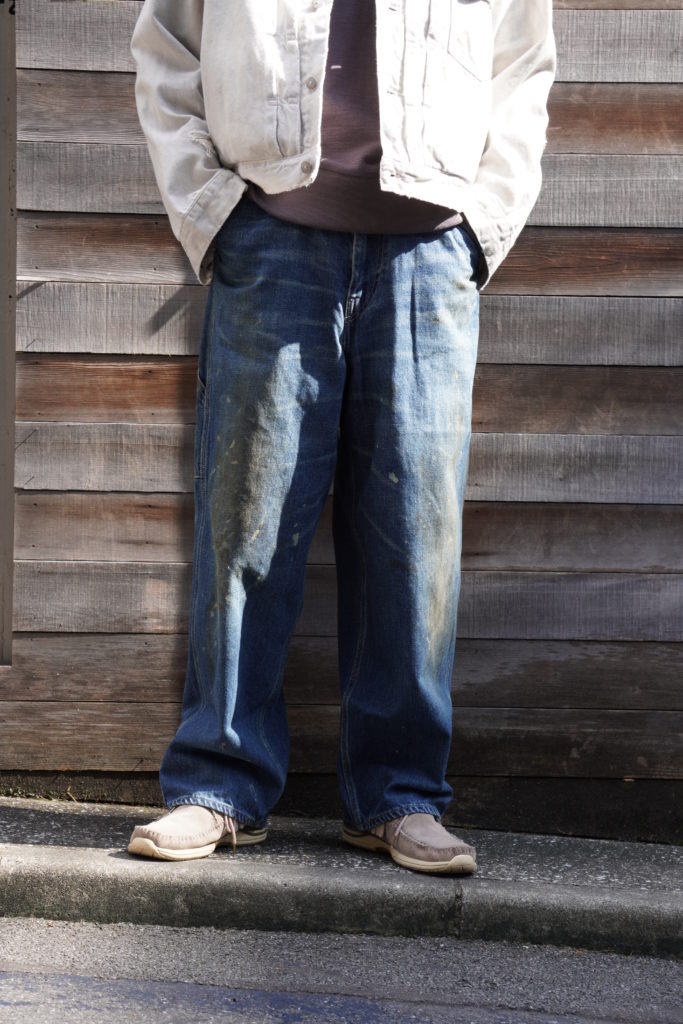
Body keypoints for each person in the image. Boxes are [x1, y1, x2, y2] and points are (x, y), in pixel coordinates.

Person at [127, 0, 555, 873]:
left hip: (429, 253)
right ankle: (218, 785)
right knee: (245, 522)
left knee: (414, 535)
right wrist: (212, 209)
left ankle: (399, 795)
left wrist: (481, 228)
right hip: (271, 239)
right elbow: (167, 45)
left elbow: (522, 68)